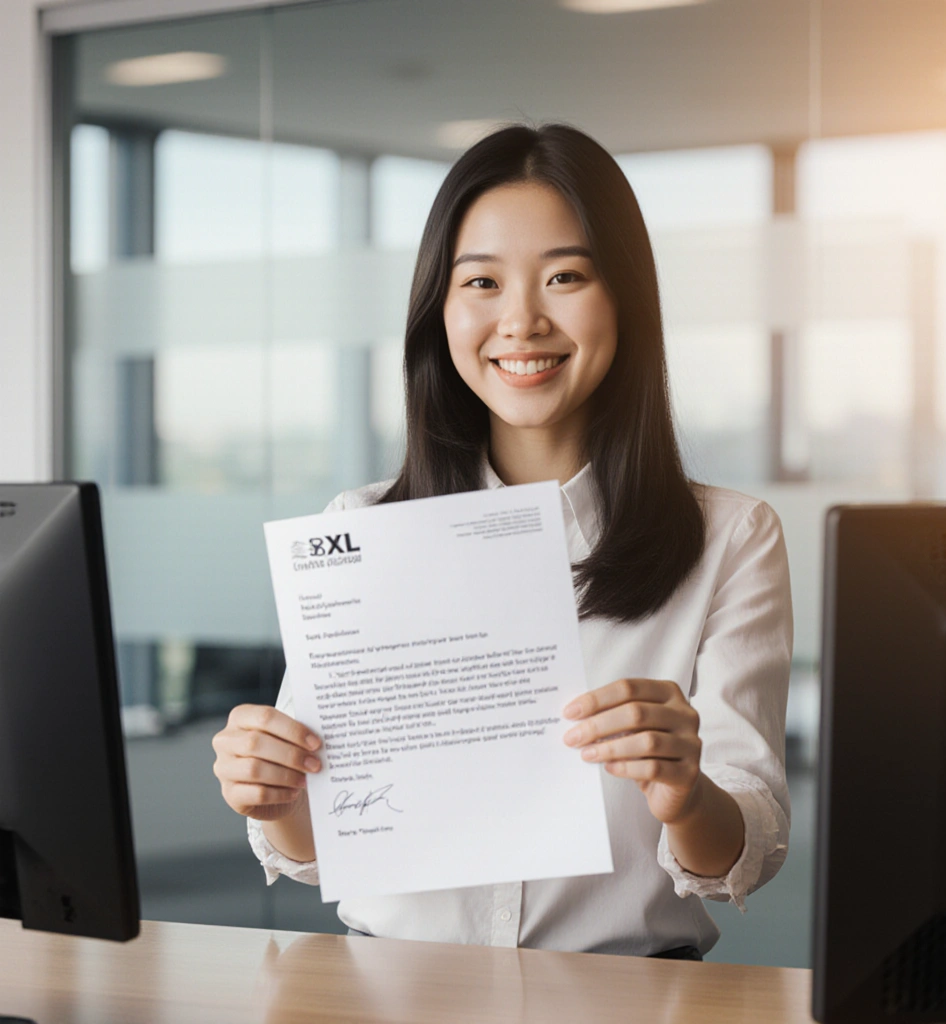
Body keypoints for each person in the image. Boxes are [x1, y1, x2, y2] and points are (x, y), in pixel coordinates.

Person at [212, 122, 792, 960]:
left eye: (565, 276)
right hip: (386, 996)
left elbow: (747, 849)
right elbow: (315, 844)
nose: (521, 321)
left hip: (623, 1003)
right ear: (439, 312)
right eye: (481, 281)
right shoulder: (361, 527)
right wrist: (271, 796)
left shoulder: (730, 537)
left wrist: (682, 790)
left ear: (623, 296)